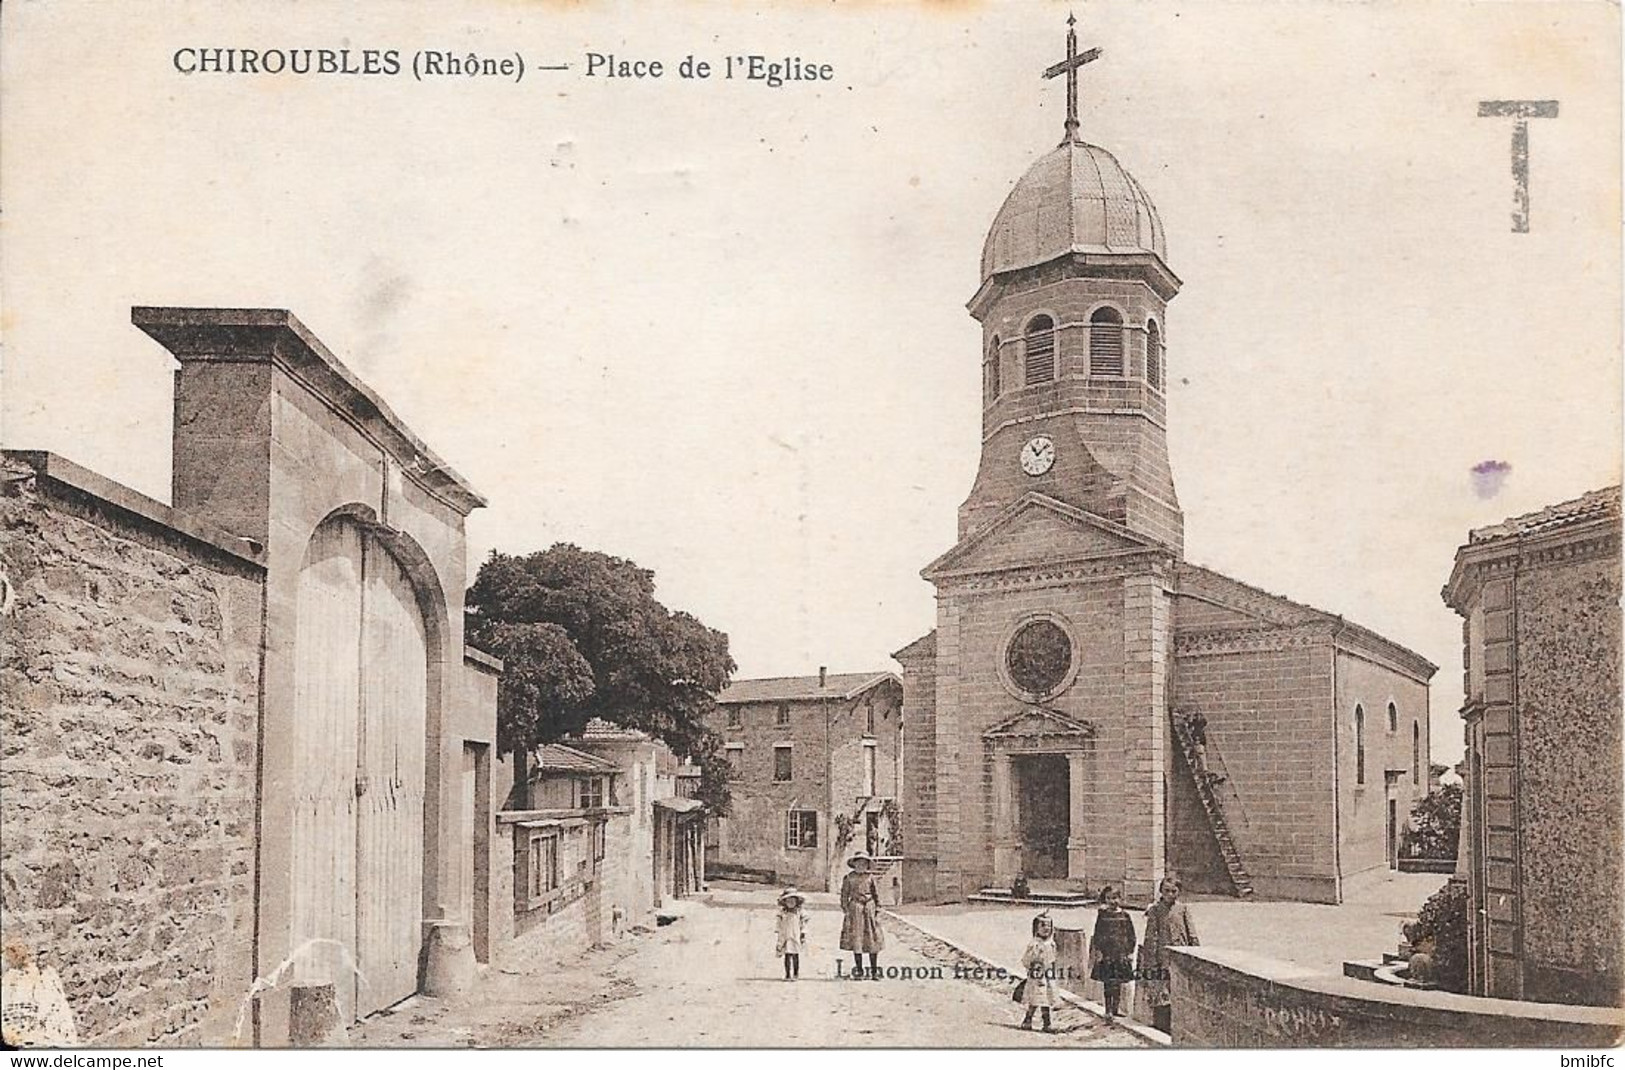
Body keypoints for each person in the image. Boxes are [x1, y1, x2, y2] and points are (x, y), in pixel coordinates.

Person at [1139, 876, 1199, 1035]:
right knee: (1161, 993)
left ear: (1179, 892)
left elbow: (1191, 932)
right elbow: (1150, 936)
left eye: (1174, 891)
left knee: (1181, 993)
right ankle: (1163, 1028)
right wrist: (1150, 961)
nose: (1170, 894)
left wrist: (1196, 953)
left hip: (1181, 957)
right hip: (1162, 959)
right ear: (1160, 891)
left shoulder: (1183, 909)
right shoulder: (1155, 910)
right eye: (1166, 891)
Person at [1089, 885, 1137, 1017]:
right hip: (1107, 954)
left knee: (1118, 982)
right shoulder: (1103, 916)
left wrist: (1130, 952)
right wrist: (1098, 951)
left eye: (1115, 898)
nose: (1112, 901)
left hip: (1120, 954)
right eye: (1108, 898)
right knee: (1108, 982)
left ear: (1120, 899)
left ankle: (1116, 1008)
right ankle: (1108, 1009)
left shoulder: (1125, 916)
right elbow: (1097, 934)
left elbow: (1131, 935)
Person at [839, 854, 884, 977]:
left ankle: (874, 971)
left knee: (872, 938)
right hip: (855, 909)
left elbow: (876, 895)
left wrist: (877, 909)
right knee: (857, 939)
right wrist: (846, 910)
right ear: (854, 865)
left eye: (864, 864)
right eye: (858, 864)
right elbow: (844, 895)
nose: (861, 866)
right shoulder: (849, 878)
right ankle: (859, 970)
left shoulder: (871, 878)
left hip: (869, 908)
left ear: (867, 865)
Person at [1019, 912, 1058, 1032]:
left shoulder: (1051, 943)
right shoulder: (1035, 944)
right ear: (1036, 928)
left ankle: (1046, 1023)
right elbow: (1027, 959)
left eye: (1049, 926)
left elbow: (1053, 958)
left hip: (1048, 975)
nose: (1046, 928)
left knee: (1045, 998)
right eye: (1043, 925)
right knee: (1036, 999)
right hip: (1037, 976)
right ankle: (1028, 1020)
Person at [775, 888, 808, 981]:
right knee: (787, 955)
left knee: (795, 955)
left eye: (793, 901)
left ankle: (796, 974)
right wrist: (778, 933)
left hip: (795, 936)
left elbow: (803, 923)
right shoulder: (783, 913)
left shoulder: (799, 912)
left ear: (797, 901)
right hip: (786, 936)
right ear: (784, 902)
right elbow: (779, 923)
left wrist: (803, 933)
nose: (791, 903)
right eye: (788, 901)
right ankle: (787, 974)